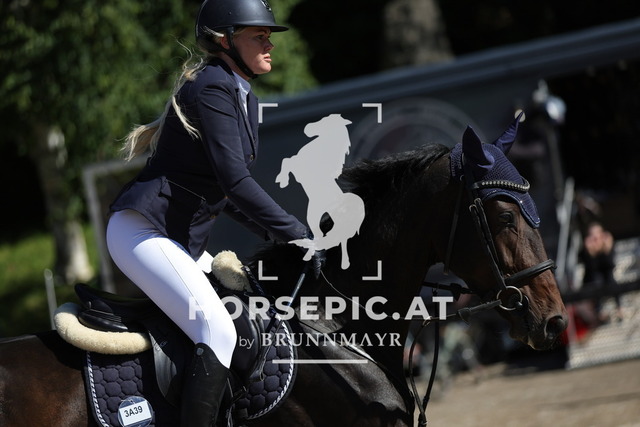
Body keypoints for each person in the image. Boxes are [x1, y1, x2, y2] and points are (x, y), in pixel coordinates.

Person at [105, 1, 314, 425]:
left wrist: (279, 235)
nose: (270, 44)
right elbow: (235, 181)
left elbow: (225, 193)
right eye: (259, 35)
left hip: (176, 239)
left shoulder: (240, 93)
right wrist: (296, 233)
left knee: (247, 314)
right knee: (217, 330)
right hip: (143, 232)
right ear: (225, 39)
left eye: (268, 36)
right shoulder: (213, 87)